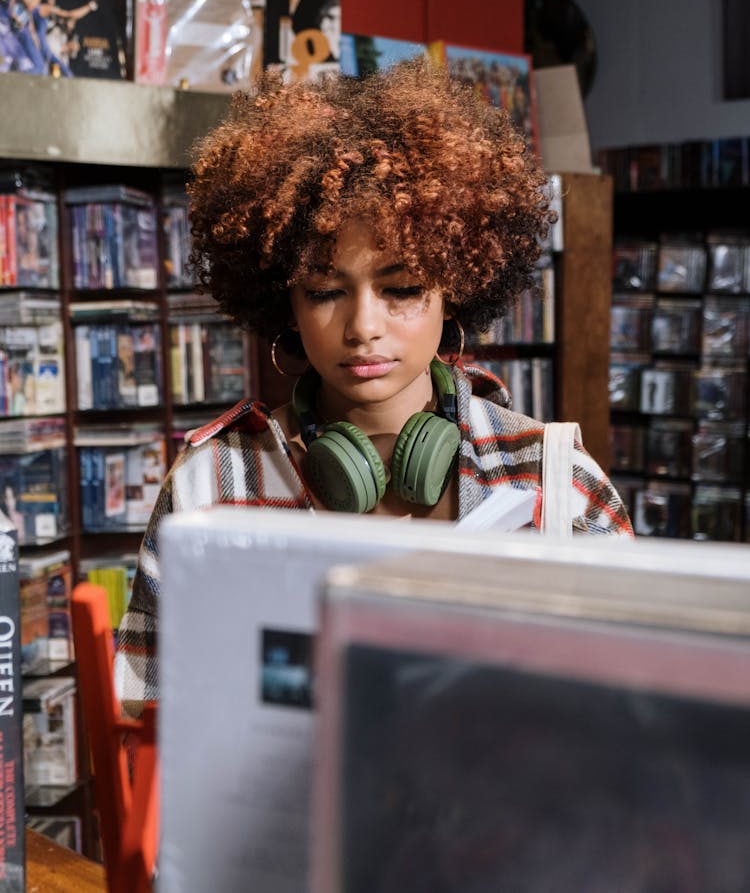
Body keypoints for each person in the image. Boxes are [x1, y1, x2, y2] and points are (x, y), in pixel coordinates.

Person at [115, 59, 632, 708]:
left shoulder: (559, 487)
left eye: (403, 288)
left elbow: (632, 734)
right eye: (327, 290)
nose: (363, 326)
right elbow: (143, 729)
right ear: (287, 303)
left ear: (458, 289)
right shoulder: (210, 487)